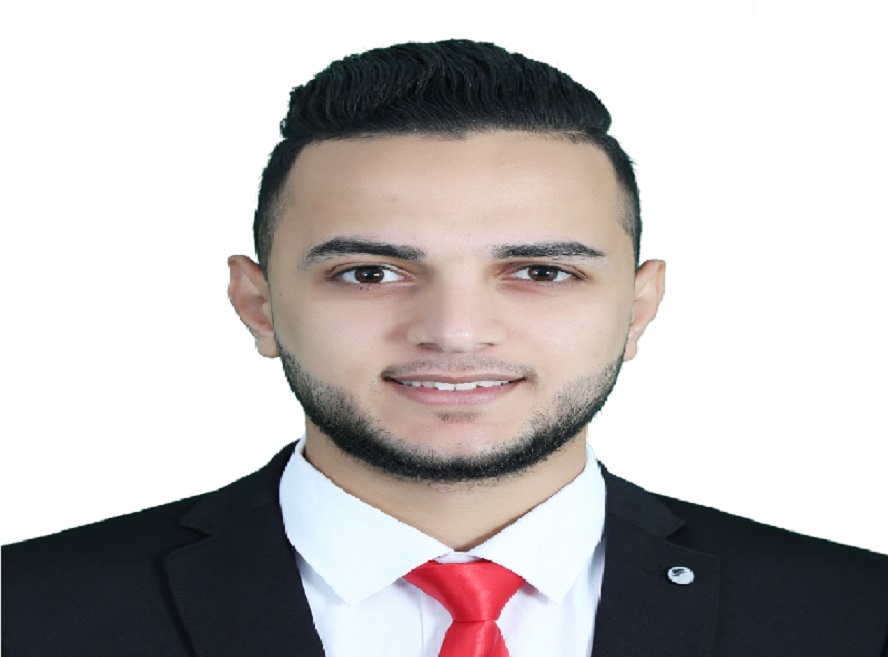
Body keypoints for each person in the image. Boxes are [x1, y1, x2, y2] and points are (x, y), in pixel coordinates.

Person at [3, 39, 886, 657]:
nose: (456, 331)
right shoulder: (25, 613)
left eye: (540, 272)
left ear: (639, 306)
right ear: (258, 304)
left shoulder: (855, 615)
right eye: (369, 272)